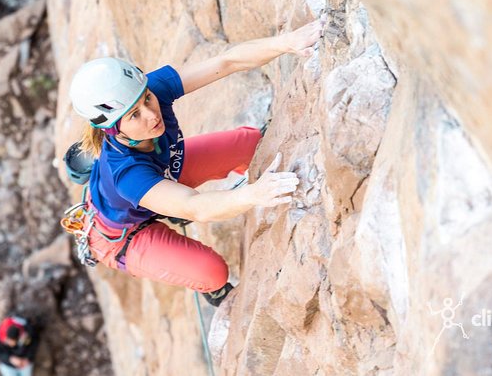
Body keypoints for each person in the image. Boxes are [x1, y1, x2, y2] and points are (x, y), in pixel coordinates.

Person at [68, 19, 323, 306]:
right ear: (114, 129)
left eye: (147, 99)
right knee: (213, 272)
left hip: (160, 173)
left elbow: (226, 62)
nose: (152, 115)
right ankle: (209, 286)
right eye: (134, 116)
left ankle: (166, 200)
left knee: (250, 144)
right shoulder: (127, 173)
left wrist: (288, 42)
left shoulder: (146, 92)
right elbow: (194, 207)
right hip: (122, 234)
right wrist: (254, 194)